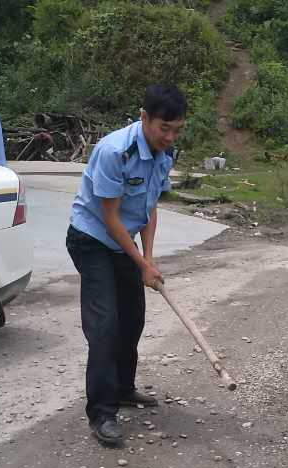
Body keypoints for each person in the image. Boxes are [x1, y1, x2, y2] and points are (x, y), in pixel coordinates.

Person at [67, 84, 185, 446]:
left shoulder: (164, 154)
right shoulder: (114, 151)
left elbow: (149, 208)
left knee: (133, 318)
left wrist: (147, 259)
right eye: (164, 128)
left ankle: (122, 388)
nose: (169, 136)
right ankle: (102, 412)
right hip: (91, 239)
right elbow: (111, 218)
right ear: (144, 117)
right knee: (105, 326)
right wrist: (140, 263)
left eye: (177, 129)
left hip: (123, 243)